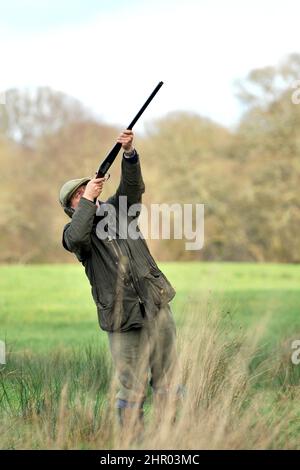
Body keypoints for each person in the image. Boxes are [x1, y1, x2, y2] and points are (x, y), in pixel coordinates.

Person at [59, 130, 178, 435]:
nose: (87, 193)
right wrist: (87, 200)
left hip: (155, 303)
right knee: (131, 389)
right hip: (121, 318)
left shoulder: (119, 210)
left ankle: (172, 436)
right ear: (73, 207)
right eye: (78, 195)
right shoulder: (75, 235)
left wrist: (128, 154)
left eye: (87, 189)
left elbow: (133, 187)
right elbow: (76, 237)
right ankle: (132, 444)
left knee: (168, 380)